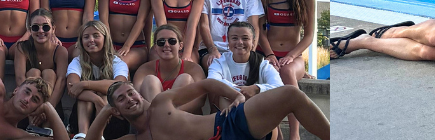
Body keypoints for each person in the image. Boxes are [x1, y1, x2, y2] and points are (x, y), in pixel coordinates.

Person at [93, 78, 330, 140]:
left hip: (227, 124)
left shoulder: (161, 102)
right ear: (117, 111)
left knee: (290, 94)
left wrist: (235, 94)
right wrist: (104, 111)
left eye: (130, 92)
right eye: (121, 100)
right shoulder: (137, 139)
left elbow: (205, 85)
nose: (130, 99)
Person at [255, 0, 316, 140]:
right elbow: (261, 32)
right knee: (268, 75)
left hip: (293, 57)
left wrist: (291, 55)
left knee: (287, 71)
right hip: (267, 54)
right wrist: (270, 55)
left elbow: (309, 35)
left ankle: (295, 135)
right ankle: (278, 135)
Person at [65, 21, 130, 140]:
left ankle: (99, 136)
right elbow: (72, 88)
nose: (91, 40)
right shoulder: (77, 61)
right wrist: (96, 99)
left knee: (105, 95)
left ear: (105, 39)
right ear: (81, 42)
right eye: (86, 37)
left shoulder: (117, 62)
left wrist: (85, 84)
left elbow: (119, 85)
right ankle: (82, 136)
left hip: (113, 118)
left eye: (96, 35)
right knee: (87, 99)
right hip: (83, 117)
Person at [209, 22, 284, 115]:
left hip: (257, 112)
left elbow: (279, 87)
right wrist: (241, 92)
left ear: (253, 42)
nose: (240, 42)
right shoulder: (219, 62)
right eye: (234, 38)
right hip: (230, 111)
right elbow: (212, 81)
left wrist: (256, 89)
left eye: (245, 38)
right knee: (223, 97)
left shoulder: (262, 63)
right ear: (228, 41)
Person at [12, 8, 69, 126]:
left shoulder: (60, 51)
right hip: (25, 103)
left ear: (53, 29)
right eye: (35, 27)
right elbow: (20, 78)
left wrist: (47, 109)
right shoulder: (22, 48)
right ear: (30, 30)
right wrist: (33, 110)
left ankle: (44, 126)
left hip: (51, 103)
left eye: (46, 27)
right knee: (34, 72)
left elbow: (61, 81)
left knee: (50, 73)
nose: (41, 31)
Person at [132, 25, 206, 113]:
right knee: (150, 80)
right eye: (161, 42)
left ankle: (165, 120)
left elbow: (199, 100)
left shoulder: (193, 68)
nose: (166, 45)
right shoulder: (145, 69)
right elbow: (138, 98)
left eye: (172, 41)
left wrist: (170, 113)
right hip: (155, 117)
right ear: (155, 47)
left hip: (182, 119)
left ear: (180, 46)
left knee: (185, 78)